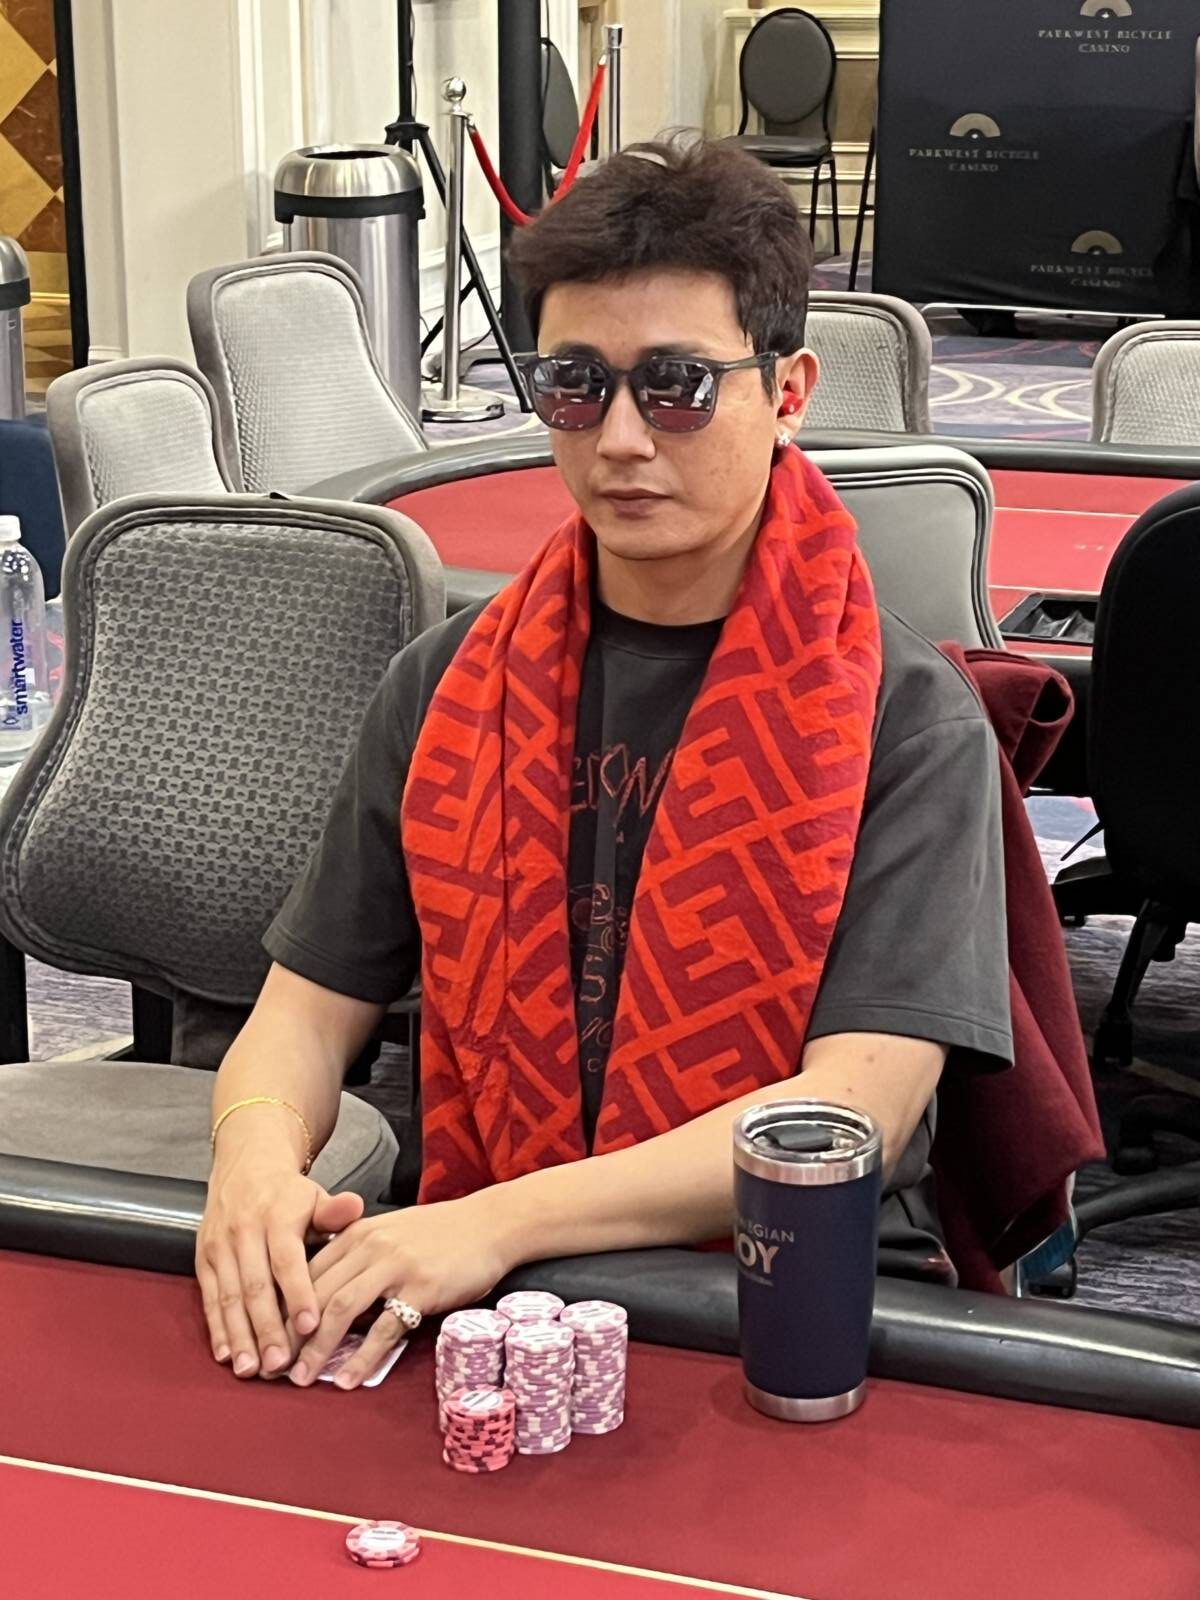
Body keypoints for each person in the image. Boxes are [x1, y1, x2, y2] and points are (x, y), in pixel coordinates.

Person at [197, 135, 1012, 1391]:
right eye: (575, 385)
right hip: (485, 1288)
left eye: (677, 385)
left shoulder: (905, 719)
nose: (622, 437)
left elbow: (853, 1109)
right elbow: (305, 1011)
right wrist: (253, 1156)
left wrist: (501, 1221)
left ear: (789, 390)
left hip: (783, 1295)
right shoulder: (447, 683)